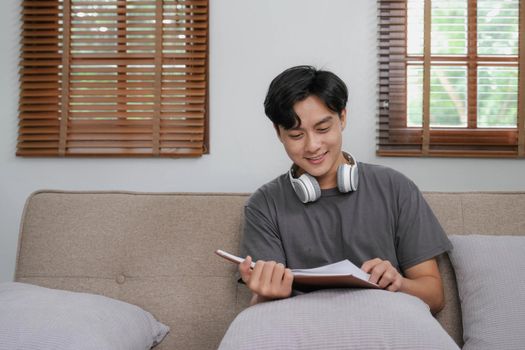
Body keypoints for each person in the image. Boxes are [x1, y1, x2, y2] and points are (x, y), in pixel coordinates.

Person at [238, 65, 452, 314]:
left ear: (343, 117)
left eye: (323, 129)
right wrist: (264, 296)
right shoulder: (264, 205)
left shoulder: (396, 188)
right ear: (279, 133)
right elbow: (259, 311)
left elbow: (435, 297)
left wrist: (398, 283)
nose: (313, 146)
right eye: (296, 135)